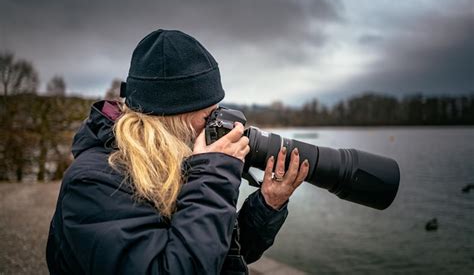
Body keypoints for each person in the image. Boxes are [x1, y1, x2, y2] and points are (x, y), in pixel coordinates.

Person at [46, 29, 309, 274]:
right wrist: (214, 174)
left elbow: (216, 255)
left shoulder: (172, 159)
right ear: (171, 117)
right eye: (208, 116)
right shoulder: (94, 183)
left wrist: (266, 204)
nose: (215, 125)